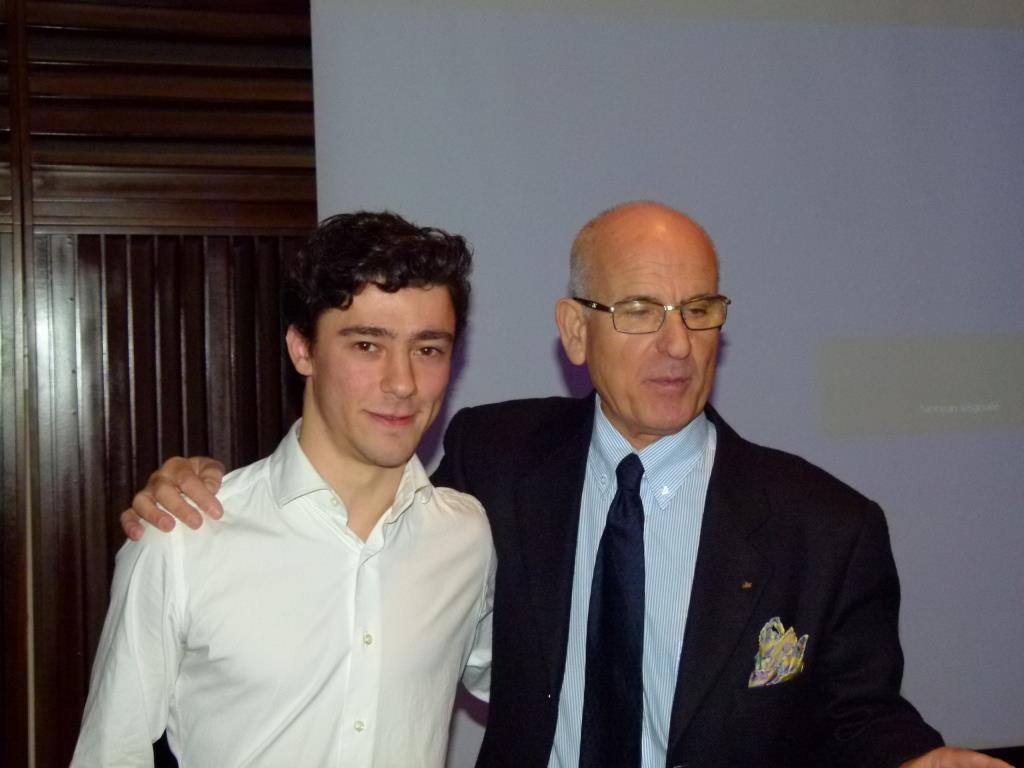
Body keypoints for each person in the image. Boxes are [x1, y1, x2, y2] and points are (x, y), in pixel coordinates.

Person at [122, 202, 1010, 768]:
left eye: (699, 311)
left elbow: (860, 715)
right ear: (575, 331)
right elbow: (353, 519)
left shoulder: (825, 525)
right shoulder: (496, 460)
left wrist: (918, 759)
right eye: (640, 311)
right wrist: (205, 484)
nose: (677, 344)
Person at [74, 212, 494, 767]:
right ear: (302, 349)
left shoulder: (466, 538)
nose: (402, 383)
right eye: (367, 345)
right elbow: (111, 754)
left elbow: (544, 689)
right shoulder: (182, 538)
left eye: (427, 349)